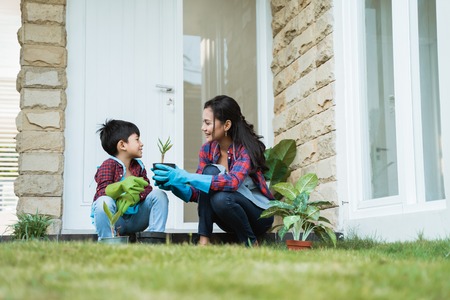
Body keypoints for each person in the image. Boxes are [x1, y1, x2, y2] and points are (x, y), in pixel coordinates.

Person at [153, 95, 274, 246]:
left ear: (226, 125)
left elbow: (232, 182)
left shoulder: (245, 149)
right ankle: (204, 240)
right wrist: (176, 185)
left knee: (218, 192)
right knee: (214, 188)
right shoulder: (207, 149)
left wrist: (186, 176)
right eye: (203, 122)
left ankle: (250, 242)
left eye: (208, 123)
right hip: (228, 212)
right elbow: (199, 192)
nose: (203, 128)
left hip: (259, 214)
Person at [91, 119, 169, 243]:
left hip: (136, 219)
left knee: (159, 195)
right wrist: (120, 188)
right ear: (122, 145)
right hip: (116, 221)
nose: (141, 144)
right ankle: (107, 242)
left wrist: (134, 197)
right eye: (137, 139)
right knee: (103, 202)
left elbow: (147, 190)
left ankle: (154, 240)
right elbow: (101, 193)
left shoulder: (138, 166)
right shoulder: (108, 165)